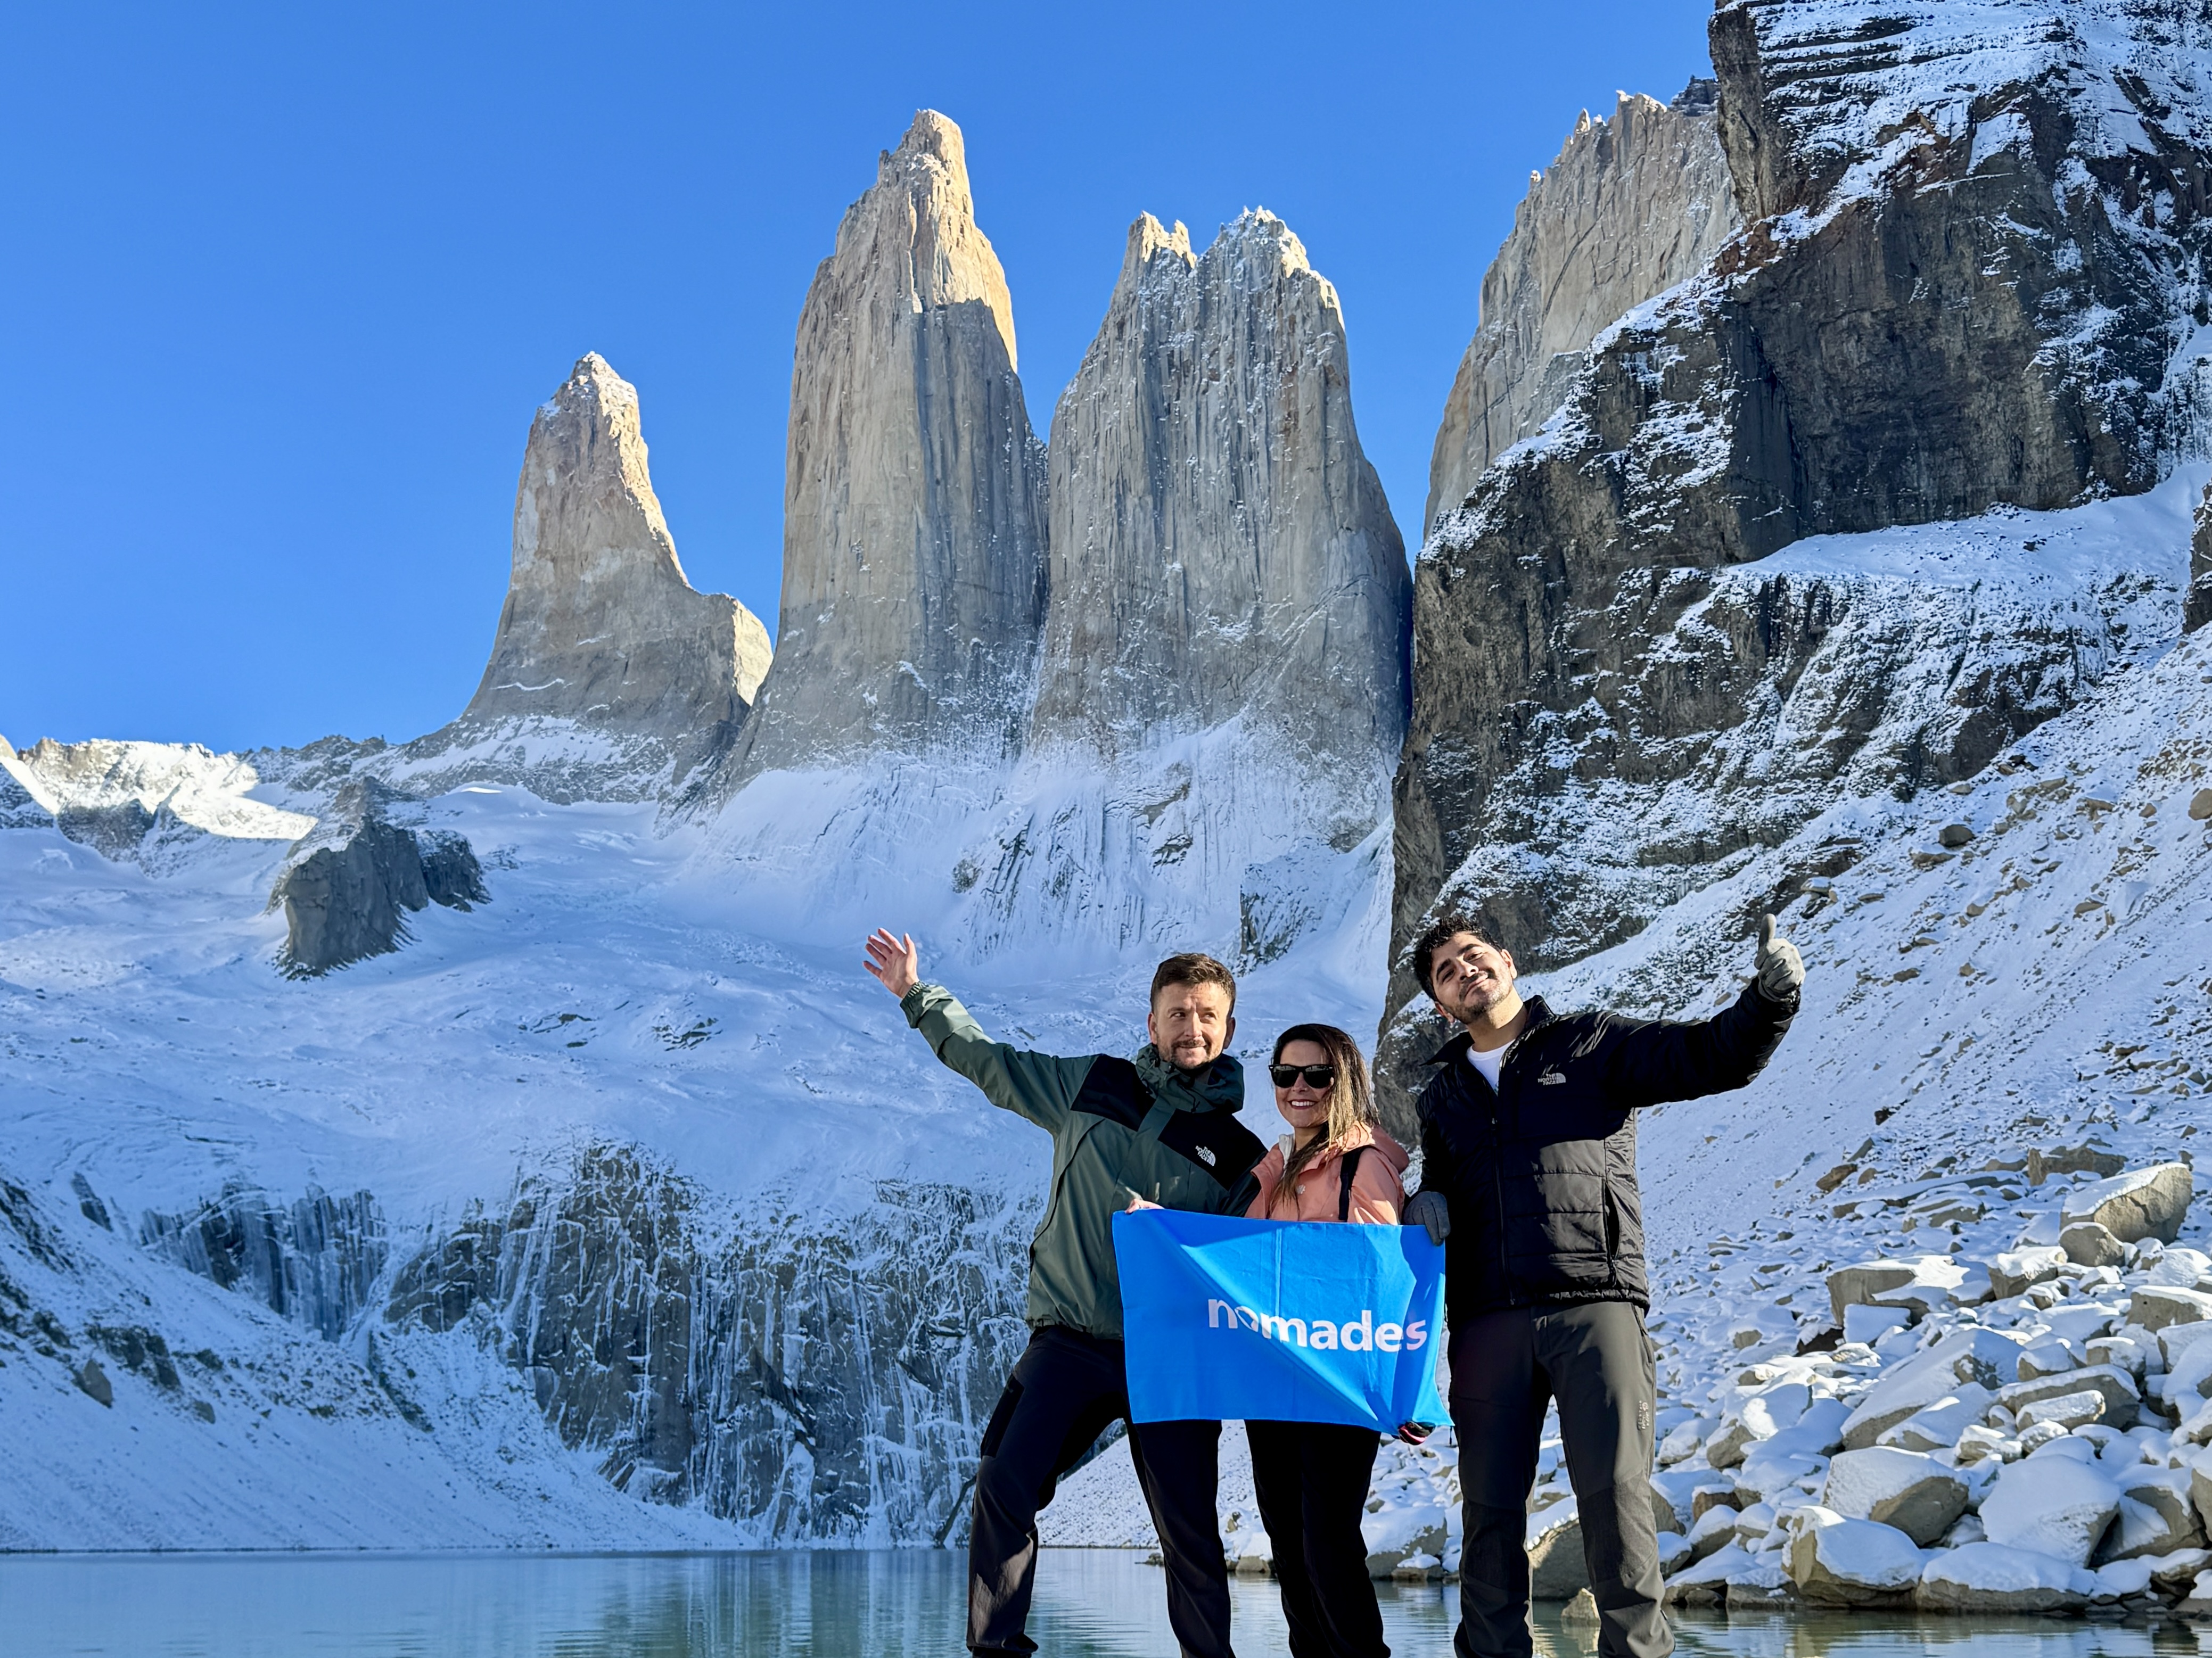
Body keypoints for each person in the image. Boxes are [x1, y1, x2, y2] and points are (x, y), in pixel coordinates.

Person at [1400, 914, 1804, 1658]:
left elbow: (1706, 1055)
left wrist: (1768, 1001)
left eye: (1473, 955)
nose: (1464, 970)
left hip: (1595, 1301)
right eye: (1445, 970)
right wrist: (1420, 1199)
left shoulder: (1588, 1043)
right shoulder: (1441, 1095)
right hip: (1486, 1320)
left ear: (1508, 960)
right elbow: (1440, 1188)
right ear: (1438, 1002)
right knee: (1488, 1516)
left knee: (1615, 1505)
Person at [863, 928, 1265, 1658]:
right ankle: (997, 1647)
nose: (1191, 1027)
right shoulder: (1091, 1084)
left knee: (1189, 1533)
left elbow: (1254, 1264)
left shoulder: (1243, 1156)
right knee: (1004, 1485)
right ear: (1151, 1022)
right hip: (1071, 1340)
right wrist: (918, 995)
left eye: (1206, 1014)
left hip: (1170, 1357)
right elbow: (991, 1064)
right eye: (1177, 1012)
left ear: (1228, 1027)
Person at [1241, 1023, 1408, 1658]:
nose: (1300, 1087)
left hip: (1338, 1382)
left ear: (1346, 1081)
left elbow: (1381, 1278)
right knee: (1288, 1536)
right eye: (1286, 1075)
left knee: (1327, 1538)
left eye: (1318, 1074)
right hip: (1272, 1379)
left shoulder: (1365, 1166)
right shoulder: (1273, 1168)